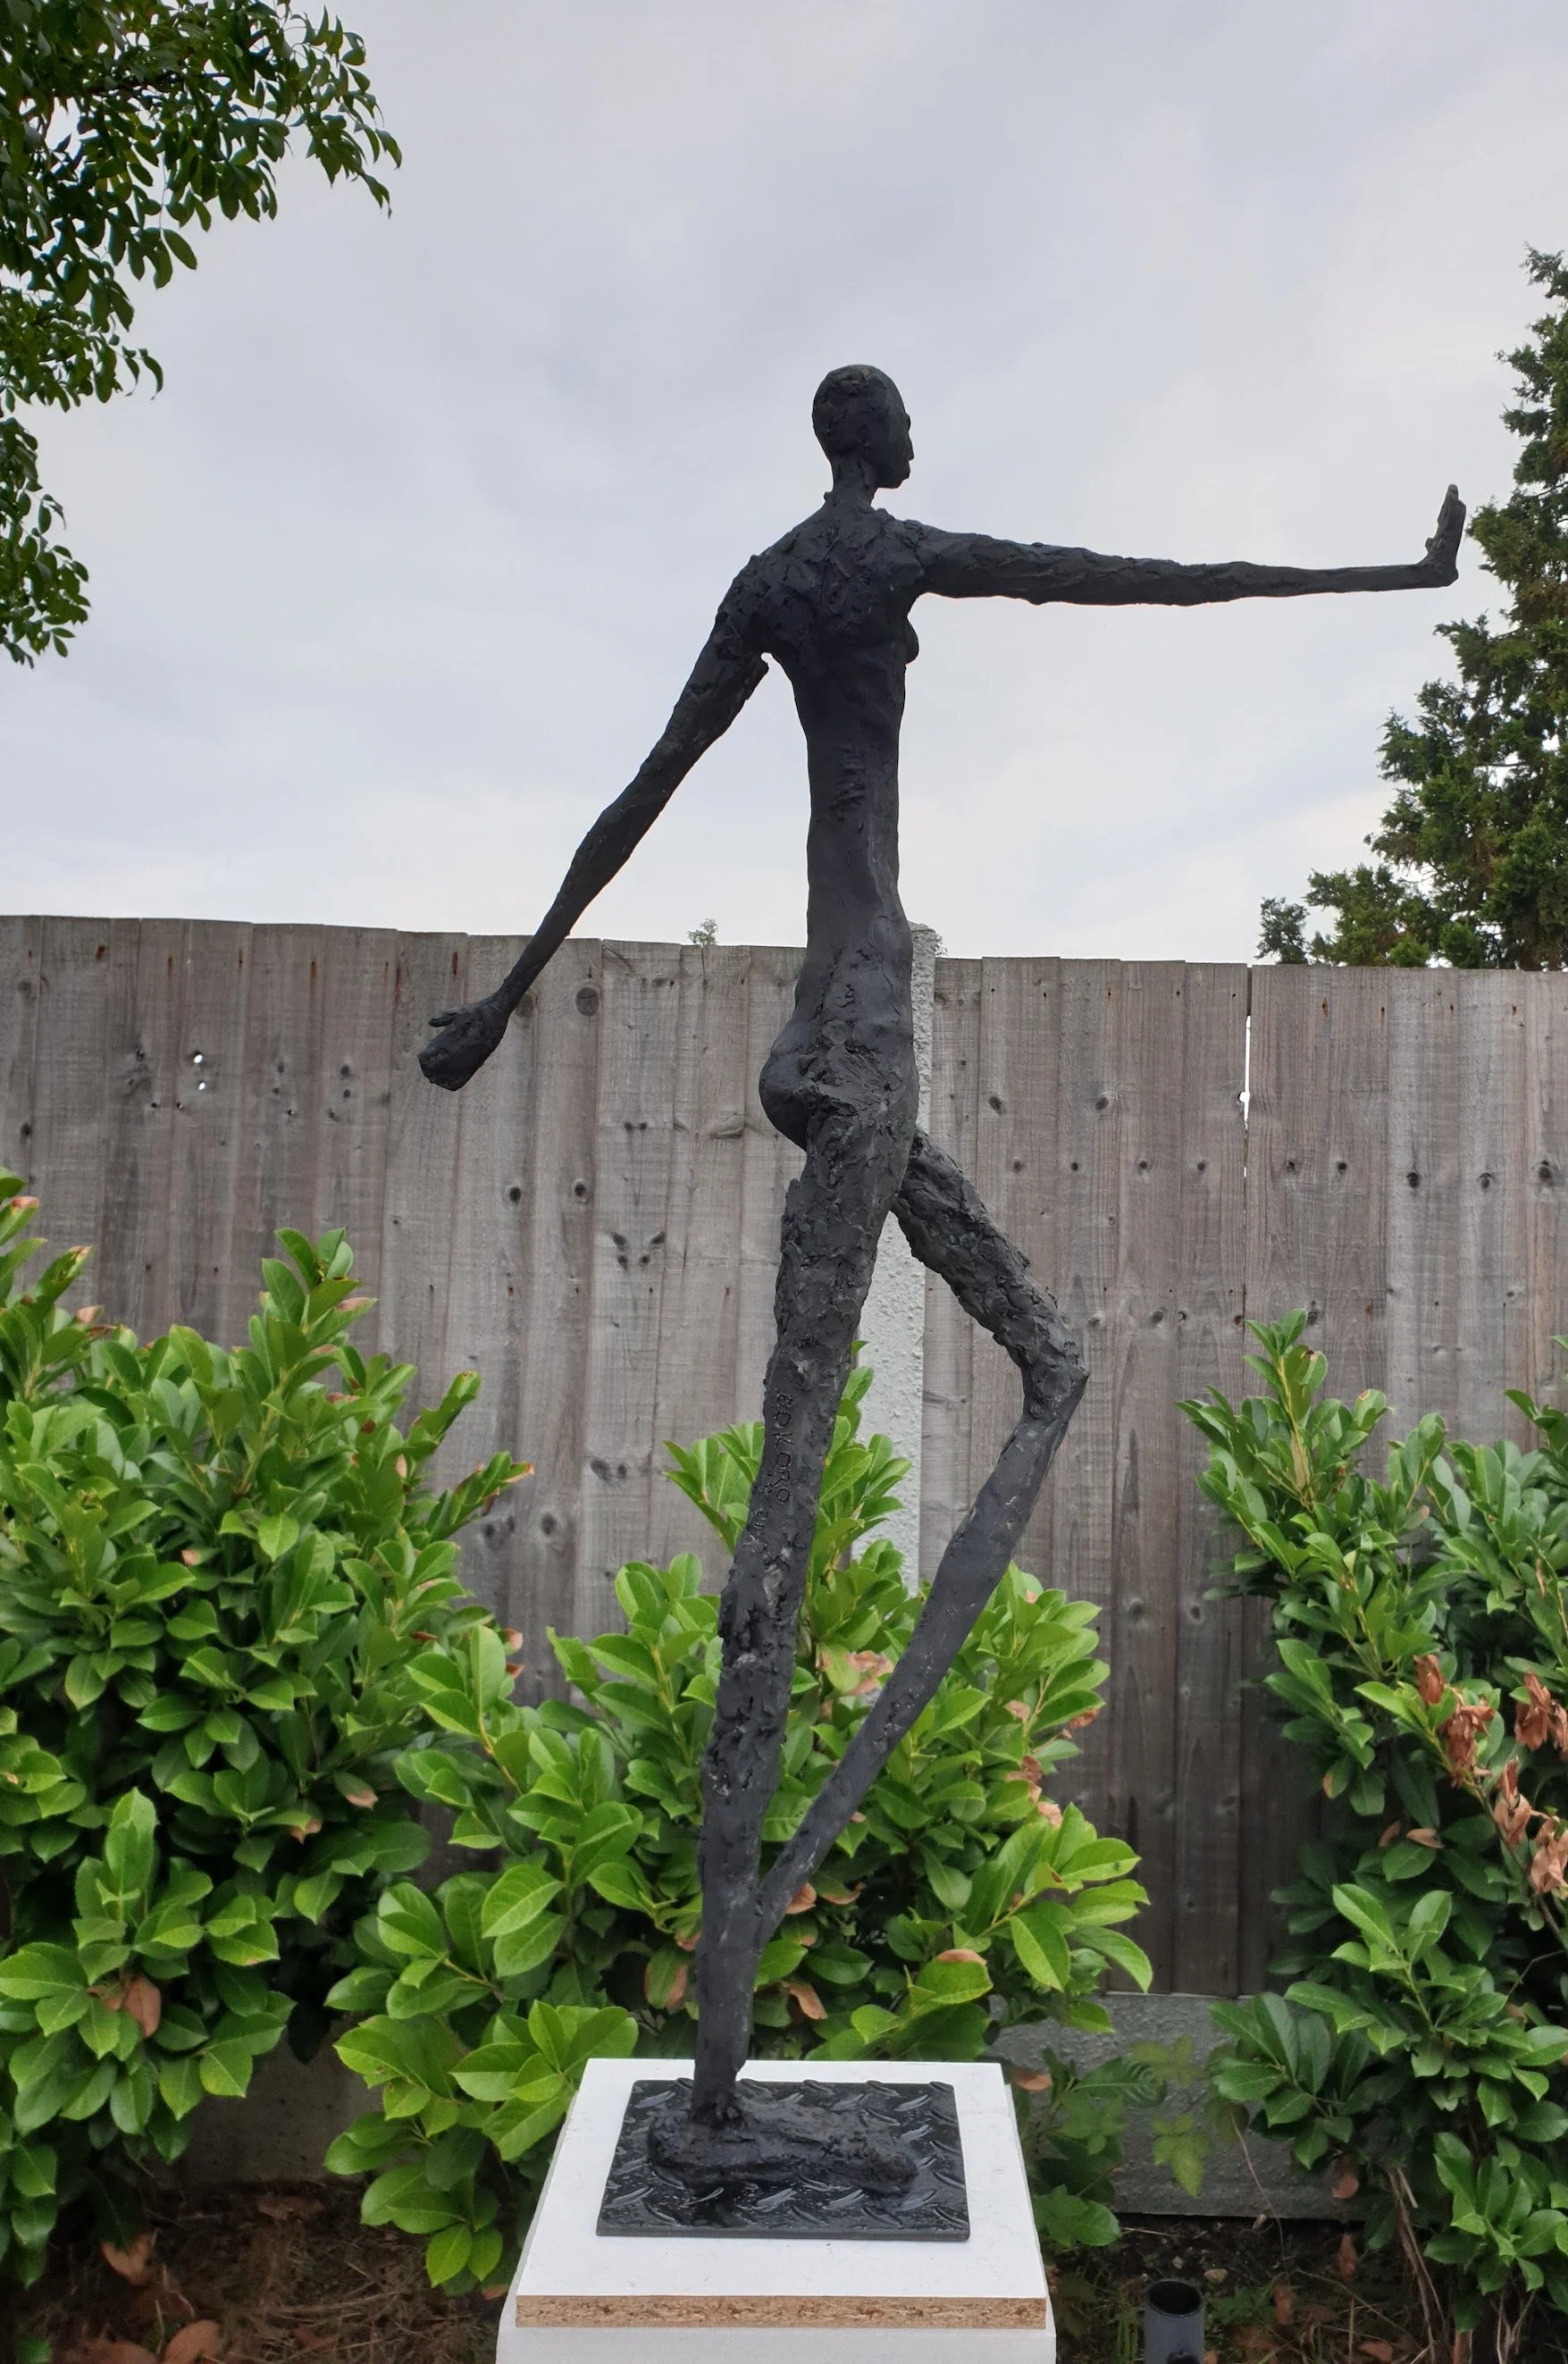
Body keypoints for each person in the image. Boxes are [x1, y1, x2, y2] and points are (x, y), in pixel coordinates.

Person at [421, 365, 1463, 2161]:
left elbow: (638, 794)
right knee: (779, 1533)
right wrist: (1379, 581)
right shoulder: (883, 561)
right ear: (871, 442)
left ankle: (783, 1881)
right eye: (902, 423)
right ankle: (724, 2068)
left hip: (843, 1041)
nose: (914, 443)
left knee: (1051, 1367)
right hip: (859, 1052)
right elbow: (1132, 576)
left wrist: (505, 1002)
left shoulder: (769, 583)